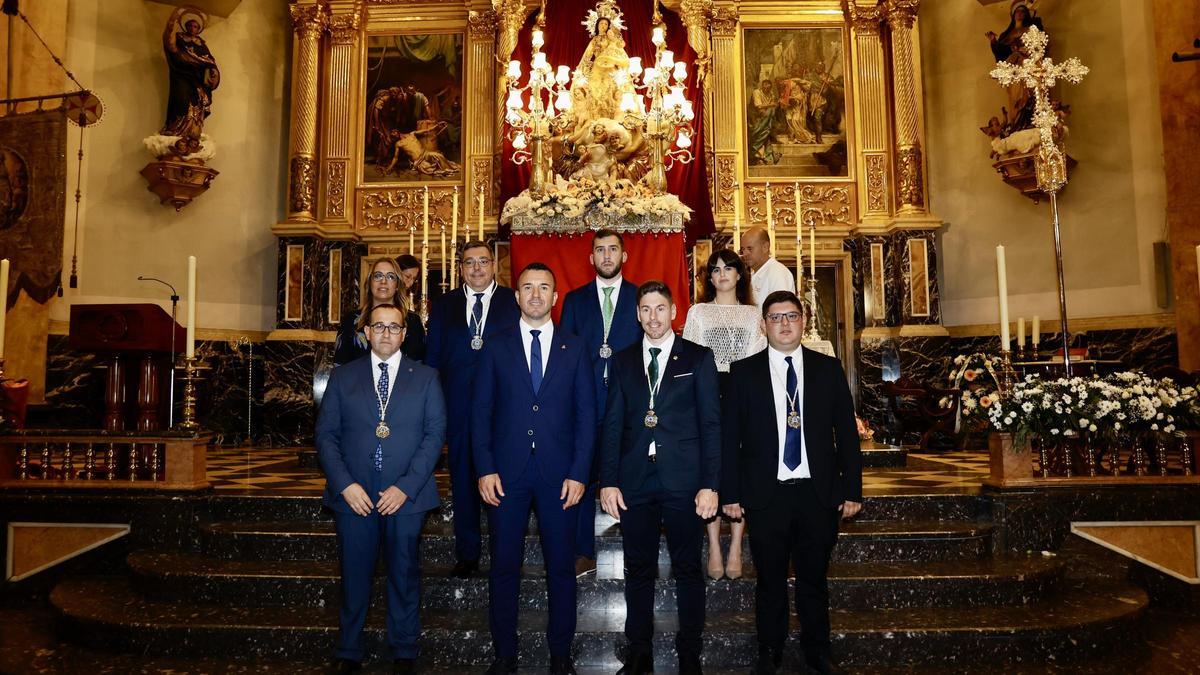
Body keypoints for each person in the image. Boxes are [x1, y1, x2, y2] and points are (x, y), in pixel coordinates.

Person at [721, 290, 862, 675]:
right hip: (767, 496)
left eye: (792, 316)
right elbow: (730, 439)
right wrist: (730, 493)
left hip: (817, 494)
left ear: (804, 321)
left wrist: (852, 489)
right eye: (776, 317)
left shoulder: (827, 369)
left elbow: (846, 434)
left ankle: (818, 651)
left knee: (814, 579)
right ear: (763, 325)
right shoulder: (743, 373)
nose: (784, 324)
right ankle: (769, 651)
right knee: (769, 581)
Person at [472, 263, 596, 675]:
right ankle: (504, 655)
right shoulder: (496, 346)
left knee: (561, 568)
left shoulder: (575, 347)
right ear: (517, 296)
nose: (536, 294)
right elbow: (481, 413)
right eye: (528, 287)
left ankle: (560, 655)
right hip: (505, 476)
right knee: (503, 567)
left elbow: (586, 416)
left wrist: (579, 472)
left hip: (560, 477)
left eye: (544, 287)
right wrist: (485, 468)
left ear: (556, 297)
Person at [315, 303, 447, 675]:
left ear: (404, 334)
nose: (386, 333)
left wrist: (405, 488)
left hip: (406, 496)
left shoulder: (426, 378)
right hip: (354, 495)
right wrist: (345, 485)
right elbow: (325, 436)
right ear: (367, 333)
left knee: (404, 574)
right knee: (354, 574)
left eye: (394, 327)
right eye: (379, 326)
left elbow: (434, 436)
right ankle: (348, 650)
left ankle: (404, 649)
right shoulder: (343, 377)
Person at [600, 280, 721, 675]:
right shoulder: (622, 361)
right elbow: (612, 424)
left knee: (688, 569)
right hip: (635, 480)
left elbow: (711, 425)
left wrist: (710, 484)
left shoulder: (698, 358)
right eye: (646, 309)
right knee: (638, 569)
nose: (653, 317)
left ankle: (690, 653)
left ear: (673, 312)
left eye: (660, 308)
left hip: (684, 480)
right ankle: (640, 651)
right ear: (637, 314)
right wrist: (608, 480)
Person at [425, 241, 521, 578]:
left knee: (503, 485)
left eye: (483, 261)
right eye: (469, 262)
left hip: (503, 412)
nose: (477, 268)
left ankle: (503, 554)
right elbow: (433, 359)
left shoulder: (513, 301)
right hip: (459, 411)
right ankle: (467, 554)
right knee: (464, 483)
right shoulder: (444, 304)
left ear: (494, 265)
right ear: (460, 268)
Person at [560, 229, 641, 577]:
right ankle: (582, 550)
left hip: (629, 405)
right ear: (590, 257)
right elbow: (564, 356)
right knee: (582, 475)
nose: (606, 256)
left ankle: (637, 550)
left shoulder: (640, 297)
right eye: (600, 250)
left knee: (633, 478)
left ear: (624, 256)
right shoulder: (575, 301)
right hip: (586, 404)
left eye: (613, 250)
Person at [682, 249, 766, 581]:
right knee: (712, 464)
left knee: (739, 464)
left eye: (728, 269)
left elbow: (758, 357)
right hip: (707, 389)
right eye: (715, 270)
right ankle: (715, 545)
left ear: (739, 274)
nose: (721, 275)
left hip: (742, 390)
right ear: (710, 278)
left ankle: (736, 547)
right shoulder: (699, 312)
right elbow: (690, 356)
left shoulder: (753, 314)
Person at [335, 256, 425, 366]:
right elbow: (340, 366)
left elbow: (417, 367)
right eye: (378, 276)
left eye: (390, 277)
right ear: (370, 282)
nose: (383, 281)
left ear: (398, 284)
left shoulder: (413, 322)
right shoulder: (351, 320)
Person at [739, 226, 796, 312]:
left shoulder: (778, 273)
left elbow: (780, 311)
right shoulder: (753, 273)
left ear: (765, 247)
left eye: (750, 248)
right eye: (743, 249)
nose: (745, 253)